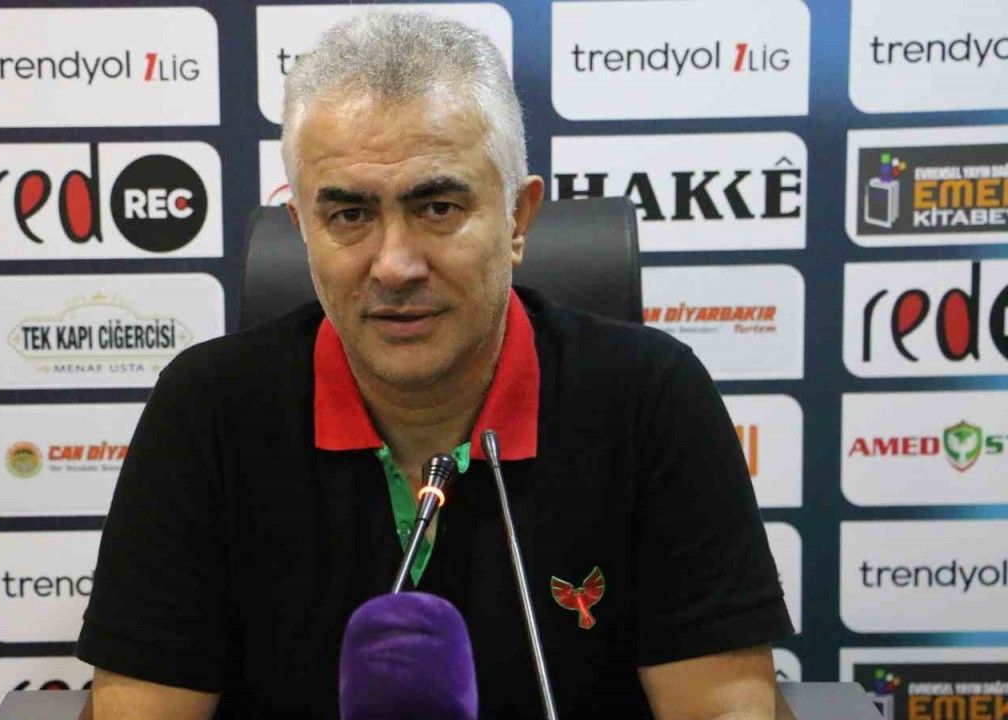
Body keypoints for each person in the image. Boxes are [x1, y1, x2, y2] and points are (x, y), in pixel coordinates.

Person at [77, 11, 792, 719]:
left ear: (518, 219)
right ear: (302, 230)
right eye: (350, 215)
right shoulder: (206, 410)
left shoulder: (652, 400)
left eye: (439, 207)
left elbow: (725, 710)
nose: (395, 265)